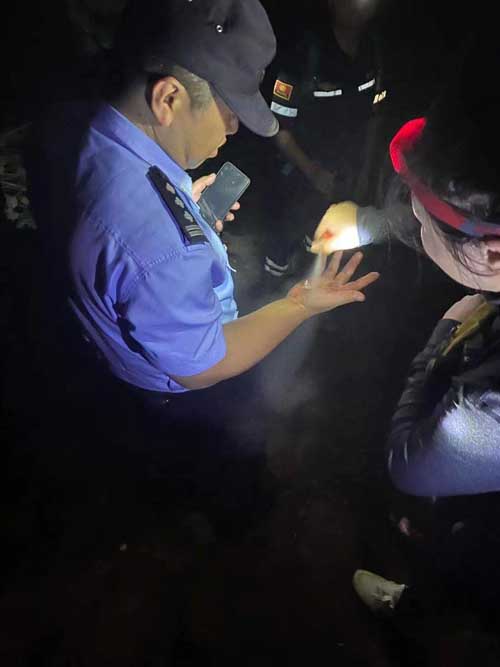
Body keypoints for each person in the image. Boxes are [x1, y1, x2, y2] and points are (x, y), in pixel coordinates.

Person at [311, 40, 500, 612]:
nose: (413, 222)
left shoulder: (489, 404)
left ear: (493, 256)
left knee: (470, 560)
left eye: (420, 220)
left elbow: (411, 464)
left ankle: (420, 614)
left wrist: (446, 333)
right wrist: (370, 224)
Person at [262, 0, 386, 277]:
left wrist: (365, 170)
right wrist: (313, 171)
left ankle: (309, 268)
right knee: (286, 229)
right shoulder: (304, 53)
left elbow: (374, 116)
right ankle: (274, 274)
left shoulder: (373, 48)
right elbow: (278, 127)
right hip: (299, 169)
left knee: (323, 231)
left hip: (345, 168)